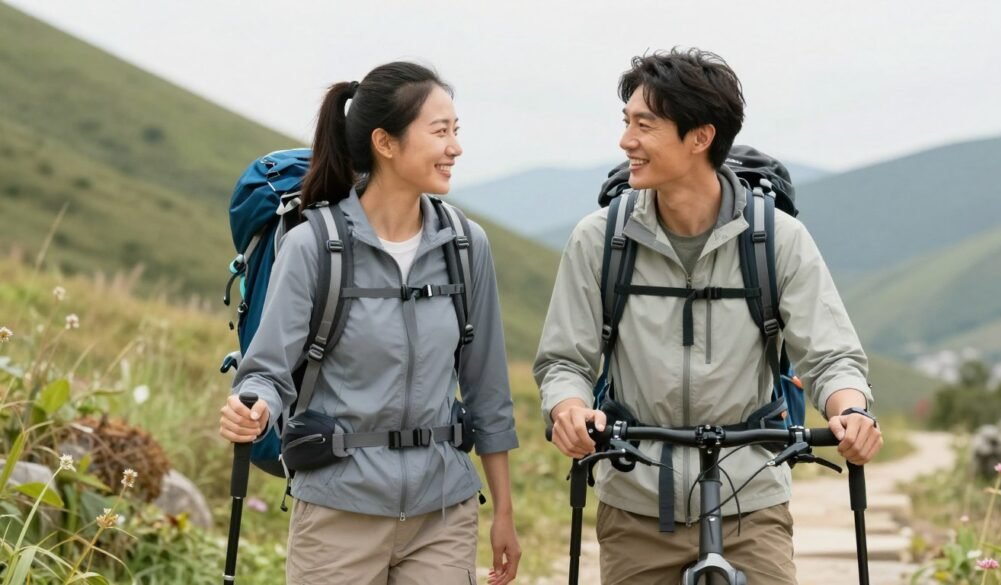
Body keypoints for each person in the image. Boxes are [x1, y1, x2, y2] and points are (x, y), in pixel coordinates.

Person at [534, 48, 883, 584]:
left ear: (700, 137)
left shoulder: (778, 241)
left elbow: (830, 355)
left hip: (753, 501)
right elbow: (564, 360)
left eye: (644, 125)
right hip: (636, 499)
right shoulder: (600, 239)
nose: (626, 140)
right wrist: (568, 408)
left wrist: (851, 410)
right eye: (626, 122)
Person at [218, 61, 521, 585]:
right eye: (440, 131)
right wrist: (255, 407)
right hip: (337, 515)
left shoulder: (466, 246)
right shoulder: (314, 243)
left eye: (457, 131)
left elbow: (487, 389)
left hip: (442, 515)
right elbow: (267, 370)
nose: (456, 147)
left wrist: (504, 515)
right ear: (385, 142)